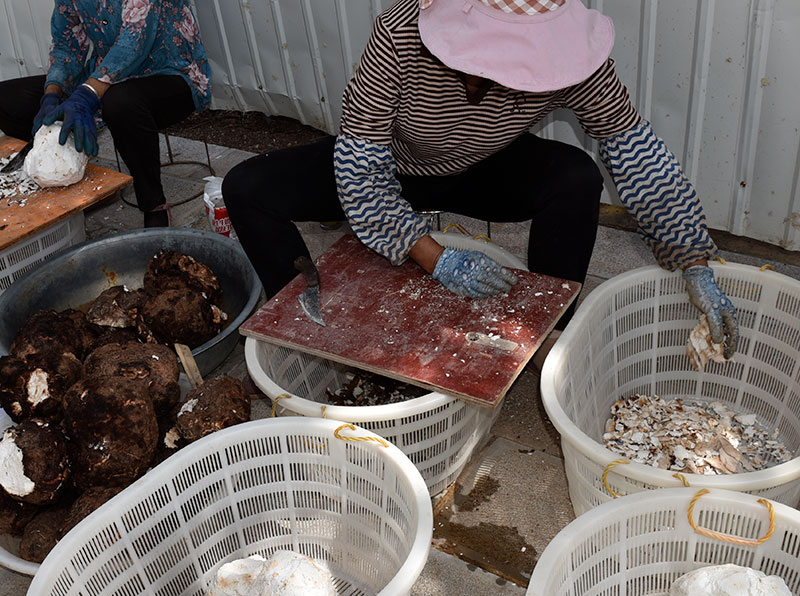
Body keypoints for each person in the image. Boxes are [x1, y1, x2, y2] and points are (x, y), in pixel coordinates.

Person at [223, 0, 738, 364]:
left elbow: (634, 148)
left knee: (577, 176)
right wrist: (432, 256)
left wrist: (692, 259)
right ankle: (299, 322)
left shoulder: (574, 60)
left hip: (479, 169)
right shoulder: (400, 31)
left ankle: (550, 331)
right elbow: (360, 165)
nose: (487, 83)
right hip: (394, 165)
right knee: (246, 187)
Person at [0, 0, 211, 228]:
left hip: (171, 73)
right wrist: (51, 95)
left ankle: (153, 203)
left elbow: (135, 41)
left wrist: (87, 93)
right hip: (104, 78)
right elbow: (66, 46)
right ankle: (66, 178)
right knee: (8, 99)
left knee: (120, 102)